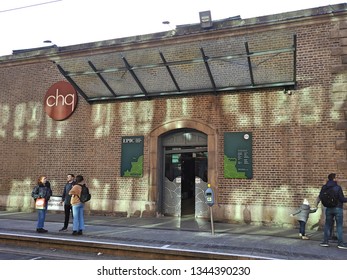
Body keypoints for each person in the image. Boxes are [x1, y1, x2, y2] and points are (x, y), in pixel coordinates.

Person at [319, 173, 347, 249]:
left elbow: (320, 196)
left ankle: (325, 242)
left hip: (328, 208)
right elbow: (341, 199)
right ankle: (340, 243)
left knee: (327, 225)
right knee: (339, 226)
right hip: (338, 208)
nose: (337, 179)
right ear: (334, 179)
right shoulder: (337, 187)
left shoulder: (324, 187)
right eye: (336, 177)